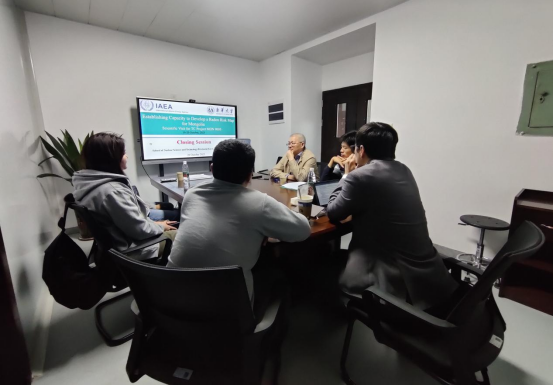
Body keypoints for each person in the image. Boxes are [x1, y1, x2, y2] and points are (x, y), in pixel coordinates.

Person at [168, 139, 311, 313]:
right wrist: (262, 230)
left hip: (170, 302)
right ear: (250, 175)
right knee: (277, 275)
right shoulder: (259, 203)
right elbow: (303, 230)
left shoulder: (191, 195)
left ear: (212, 169)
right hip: (225, 315)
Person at [326, 123, 457, 310]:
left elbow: (333, 211)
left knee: (326, 265)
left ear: (360, 150)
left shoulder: (360, 176)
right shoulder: (404, 170)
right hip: (429, 275)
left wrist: (347, 175)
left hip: (391, 278)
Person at [73, 133, 177, 259]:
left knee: (172, 219)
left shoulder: (89, 183)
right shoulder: (113, 191)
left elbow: (131, 222)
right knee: (183, 234)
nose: (126, 156)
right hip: (134, 249)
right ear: (111, 159)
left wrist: (156, 224)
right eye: (123, 153)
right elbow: (140, 230)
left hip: (117, 245)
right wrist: (160, 226)